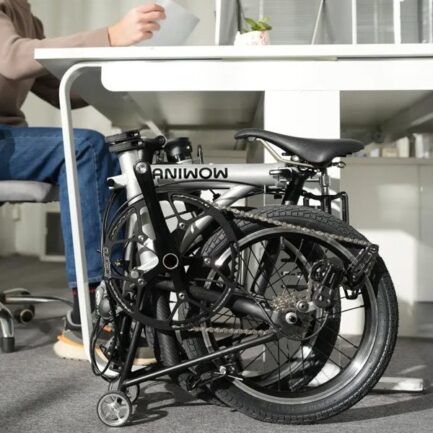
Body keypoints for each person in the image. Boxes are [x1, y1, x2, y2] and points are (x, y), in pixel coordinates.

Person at [0, 0, 165, 361]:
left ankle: (115, 293)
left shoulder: (25, 15)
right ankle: (90, 311)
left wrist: (123, 62)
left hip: (7, 140)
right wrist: (110, 35)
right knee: (86, 147)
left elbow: (63, 89)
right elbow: (12, 58)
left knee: (106, 152)